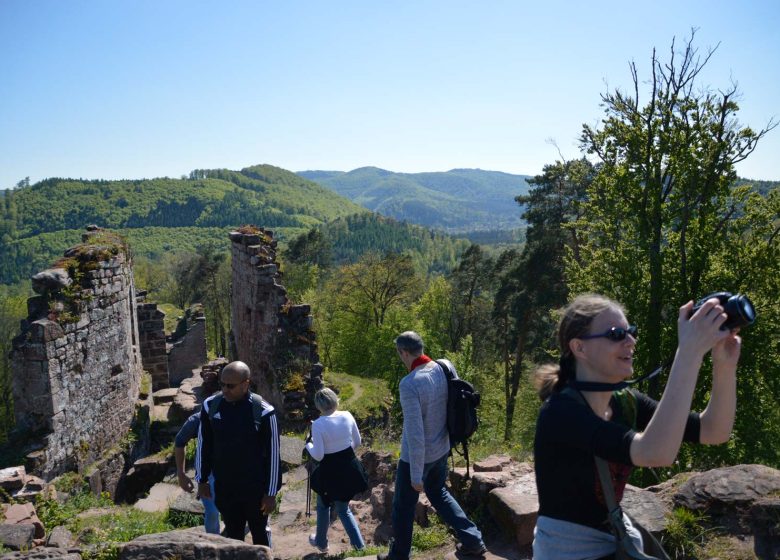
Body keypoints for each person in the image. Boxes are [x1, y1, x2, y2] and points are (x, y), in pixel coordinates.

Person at [532, 294, 741, 559]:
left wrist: (725, 366)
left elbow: (713, 431)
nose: (630, 341)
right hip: (567, 551)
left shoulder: (625, 402)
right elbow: (655, 452)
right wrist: (688, 352)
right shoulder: (560, 413)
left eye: (630, 332)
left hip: (614, 539)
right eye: (616, 333)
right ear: (579, 348)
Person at [379, 331, 486, 560]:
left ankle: (398, 556)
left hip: (417, 458)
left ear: (404, 352)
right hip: (442, 449)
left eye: (399, 353)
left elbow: (415, 434)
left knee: (403, 508)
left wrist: (416, 475)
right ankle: (472, 539)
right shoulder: (443, 367)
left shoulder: (409, 384)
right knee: (439, 493)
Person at [196, 361, 282, 547]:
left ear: (246, 384)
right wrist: (201, 479)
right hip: (226, 487)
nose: (225, 390)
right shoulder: (211, 406)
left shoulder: (265, 412)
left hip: (255, 489)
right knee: (234, 535)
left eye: (230, 386)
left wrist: (271, 493)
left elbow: (274, 455)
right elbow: (204, 444)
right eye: (222, 384)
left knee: (260, 534)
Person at [305, 387, 367, 553]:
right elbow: (357, 441)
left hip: (329, 471)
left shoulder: (317, 425)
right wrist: (343, 453)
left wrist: (307, 444)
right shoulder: (347, 415)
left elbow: (318, 455)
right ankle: (360, 548)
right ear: (334, 400)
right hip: (349, 467)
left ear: (319, 406)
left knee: (324, 505)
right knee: (343, 509)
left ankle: (322, 543)